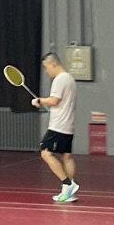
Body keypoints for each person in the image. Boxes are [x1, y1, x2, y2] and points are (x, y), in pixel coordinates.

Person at [33, 53, 78, 203]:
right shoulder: (70, 79)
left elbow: (54, 101)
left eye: (46, 67)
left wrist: (39, 101)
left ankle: (67, 184)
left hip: (58, 126)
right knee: (67, 157)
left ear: (53, 64)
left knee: (45, 153)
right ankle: (69, 193)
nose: (46, 71)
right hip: (68, 125)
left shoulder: (59, 79)